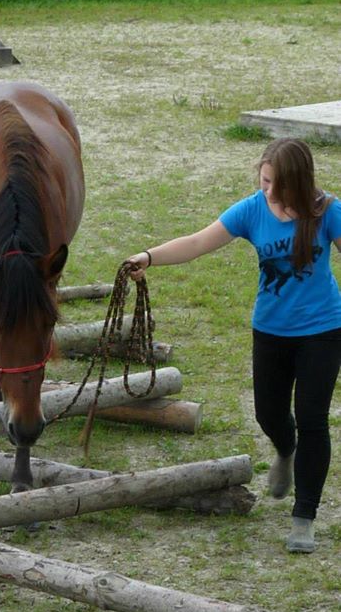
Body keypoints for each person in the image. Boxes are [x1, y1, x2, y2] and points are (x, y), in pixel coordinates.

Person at [126, 138, 341, 553]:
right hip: (271, 331)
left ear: (297, 181)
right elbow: (197, 242)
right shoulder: (252, 210)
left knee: (312, 417)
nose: (267, 191)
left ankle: (304, 517)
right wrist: (149, 257)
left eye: (274, 184)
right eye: (263, 181)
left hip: (322, 330)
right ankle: (285, 448)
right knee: (269, 414)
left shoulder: (327, 211)